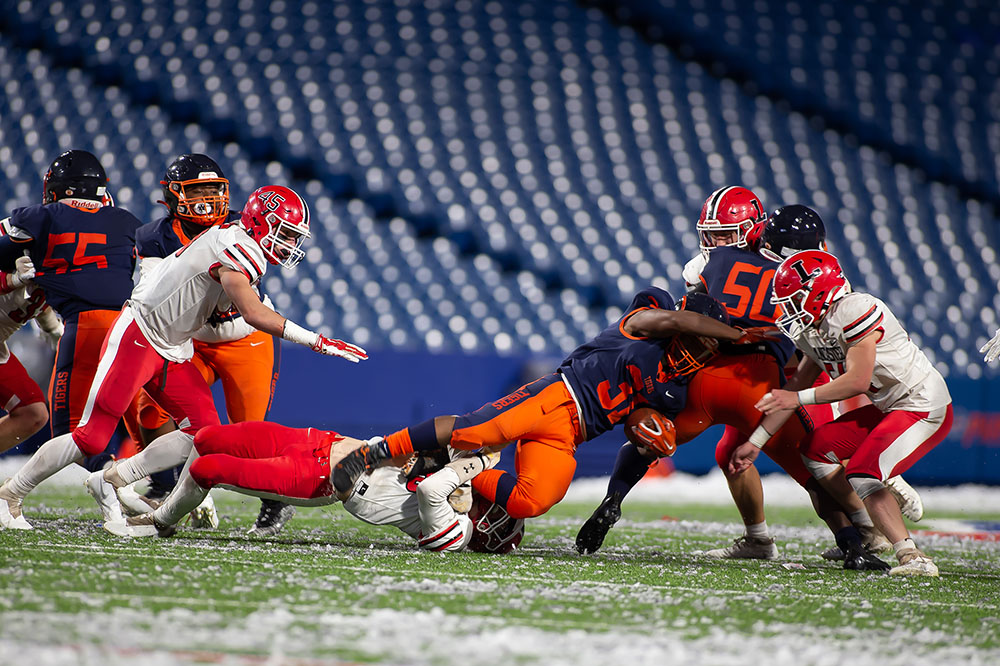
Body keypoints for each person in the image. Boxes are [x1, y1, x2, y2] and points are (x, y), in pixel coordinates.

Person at [0, 184, 367, 531]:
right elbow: (253, 313)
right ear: (262, 223)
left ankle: (115, 477)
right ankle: (10, 494)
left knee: (203, 434)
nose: (289, 243)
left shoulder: (239, 233)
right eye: (285, 233)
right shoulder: (242, 248)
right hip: (140, 334)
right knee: (91, 438)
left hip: (174, 346)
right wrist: (317, 341)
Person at [577, 197, 889, 569]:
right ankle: (853, 541)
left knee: (654, 439)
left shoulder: (714, 262)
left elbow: (694, 317)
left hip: (709, 378)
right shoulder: (807, 276)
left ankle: (614, 499)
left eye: (725, 234)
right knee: (811, 470)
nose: (717, 243)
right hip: (766, 385)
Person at [331, 288, 771, 525]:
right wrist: (736, 334)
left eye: (711, 346)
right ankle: (372, 453)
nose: (703, 351)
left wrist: (642, 441)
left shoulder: (676, 387)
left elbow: (634, 426)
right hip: (558, 396)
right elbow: (676, 320)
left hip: (572, 434)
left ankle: (452, 472)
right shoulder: (645, 326)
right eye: (703, 339)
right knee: (473, 430)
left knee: (533, 500)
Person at [729, 250, 952, 577]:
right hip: (888, 406)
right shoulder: (813, 329)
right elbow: (794, 386)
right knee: (816, 449)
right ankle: (870, 529)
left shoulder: (854, 310)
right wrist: (757, 442)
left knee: (864, 472)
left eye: (793, 300)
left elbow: (856, 381)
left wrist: (797, 399)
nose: (786, 309)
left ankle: (912, 556)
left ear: (819, 291)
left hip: (921, 403)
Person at [125, 154, 293, 535]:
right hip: (191, 340)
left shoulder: (242, 223)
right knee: (150, 408)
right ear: (172, 195)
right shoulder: (153, 236)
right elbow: (149, 293)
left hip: (244, 339)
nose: (206, 198)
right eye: (197, 190)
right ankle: (165, 487)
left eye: (213, 189)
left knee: (249, 429)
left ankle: (275, 500)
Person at [0, 149, 143, 530]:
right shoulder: (125, 221)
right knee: (64, 421)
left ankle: (117, 481)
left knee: (60, 424)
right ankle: (129, 482)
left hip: (89, 328)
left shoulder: (40, 222)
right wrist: (13, 279)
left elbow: (44, 289)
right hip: (136, 328)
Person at [119, 420, 520, 553]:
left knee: (209, 469)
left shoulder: (454, 535)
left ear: (490, 530)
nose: (494, 503)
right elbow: (449, 429)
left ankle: (162, 519)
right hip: (324, 442)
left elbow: (432, 490)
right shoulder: (461, 490)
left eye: (499, 513)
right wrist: (477, 446)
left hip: (325, 480)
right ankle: (129, 477)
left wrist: (478, 462)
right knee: (207, 437)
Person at [0, 250, 63, 453]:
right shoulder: (17, 236)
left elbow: (38, 295)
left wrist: (51, 327)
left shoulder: (69, 254)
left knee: (32, 413)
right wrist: (11, 280)